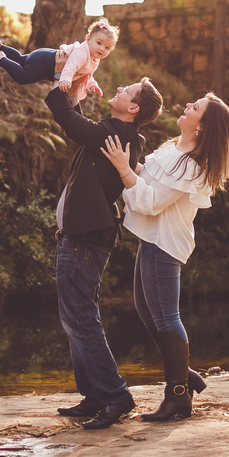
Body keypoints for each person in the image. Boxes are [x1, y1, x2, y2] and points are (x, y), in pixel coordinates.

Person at [101, 92, 229, 422]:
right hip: (152, 239)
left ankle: (177, 395)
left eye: (195, 108)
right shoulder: (174, 148)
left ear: (202, 127)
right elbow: (146, 177)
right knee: (148, 312)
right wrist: (127, 162)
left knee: (166, 317)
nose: (187, 106)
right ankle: (184, 375)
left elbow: (151, 201)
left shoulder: (193, 166)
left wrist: (121, 167)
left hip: (165, 245)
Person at [45, 78, 164, 429]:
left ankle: (114, 395)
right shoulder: (113, 133)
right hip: (80, 236)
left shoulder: (119, 136)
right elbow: (81, 131)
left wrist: (62, 84)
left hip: (84, 239)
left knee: (80, 318)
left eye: (127, 91)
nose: (119, 88)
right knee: (74, 318)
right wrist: (77, 92)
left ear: (133, 108)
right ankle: (96, 395)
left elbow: (71, 122)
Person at [0, 18, 118, 102]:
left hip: (44, 55)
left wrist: (92, 85)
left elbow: (86, 73)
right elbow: (72, 65)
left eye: (107, 48)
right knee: (22, 78)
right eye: (99, 43)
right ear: (88, 39)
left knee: (21, 60)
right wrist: (65, 79)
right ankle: (0, 59)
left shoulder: (94, 59)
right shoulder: (83, 51)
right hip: (47, 63)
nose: (102, 49)